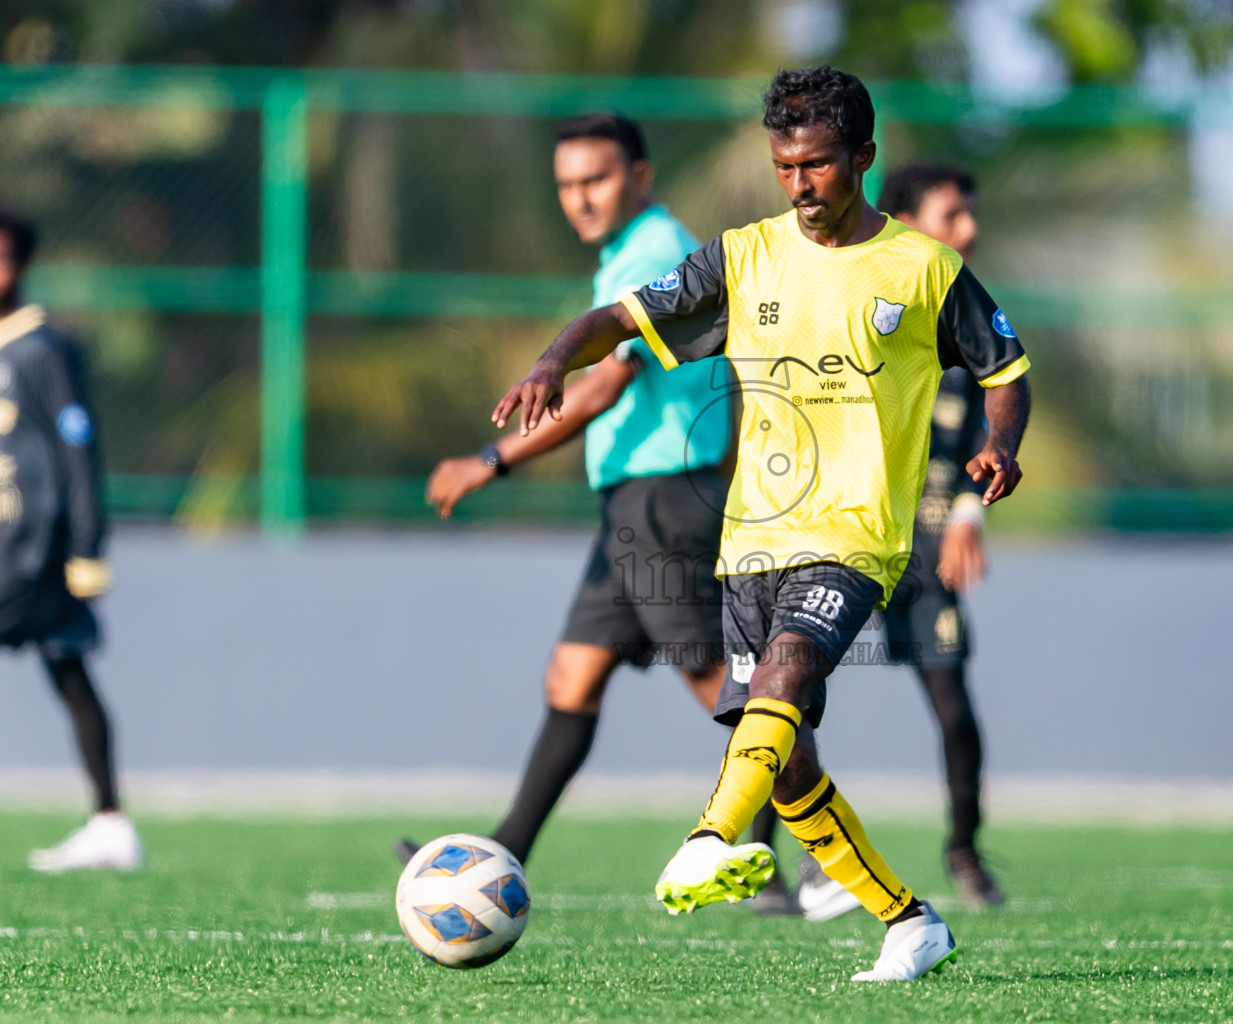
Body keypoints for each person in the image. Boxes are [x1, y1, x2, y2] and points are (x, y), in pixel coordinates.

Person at [491, 66, 1031, 982]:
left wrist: (1000, 447)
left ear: (861, 157)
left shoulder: (924, 267)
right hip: (749, 543)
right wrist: (551, 360)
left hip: (857, 537)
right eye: (785, 166)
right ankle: (909, 921)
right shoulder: (742, 259)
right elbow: (620, 317)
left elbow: (1006, 372)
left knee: (785, 673)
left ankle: (711, 833)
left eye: (817, 164)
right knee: (788, 762)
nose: (800, 184)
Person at [396, 113, 734, 868]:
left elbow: (599, 390)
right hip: (632, 503)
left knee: (722, 683)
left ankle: (813, 864)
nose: (580, 199)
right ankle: (501, 854)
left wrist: (489, 460)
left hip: (664, 498)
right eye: (567, 185)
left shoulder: (655, 254)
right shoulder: (626, 254)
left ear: (640, 177)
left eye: (597, 180)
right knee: (573, 673)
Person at [792, 162, 1005, 921]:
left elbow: (997, 416)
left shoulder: (966, 312)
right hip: (844, 536)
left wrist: (972, 512)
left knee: (953, 708)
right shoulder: (852, 299)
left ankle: (965, 853)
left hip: (926, 546)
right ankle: (767, 858)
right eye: (953, 216)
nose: (968, 230)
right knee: (787, 692)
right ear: (908, 224)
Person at [0, 210, 141, 873]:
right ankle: (110, 820)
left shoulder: (41, 349)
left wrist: (87, 545)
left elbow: (77, 447)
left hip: (34, 549)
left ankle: (111, 820)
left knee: (70, 669)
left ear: (19, 266)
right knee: (68, 669)